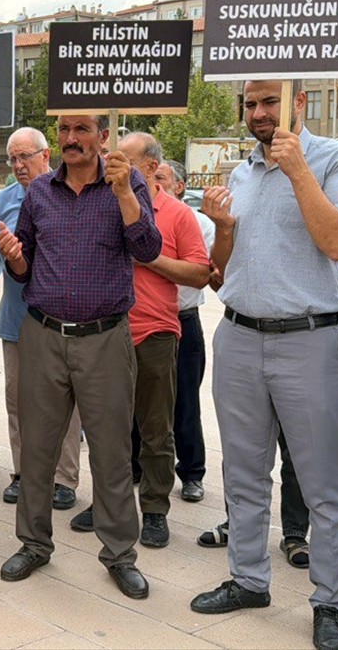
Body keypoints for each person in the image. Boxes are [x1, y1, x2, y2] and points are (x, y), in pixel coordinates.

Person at [190, 79, 338, 650]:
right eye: (251, 104)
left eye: (271, 101)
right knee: (243, 473)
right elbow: (220, 272)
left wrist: (297, 171)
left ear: (299, 103)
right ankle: (248, 579)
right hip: (238, 335)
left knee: (323, 484)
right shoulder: (241, 172)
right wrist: (223, 230)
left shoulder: (336, 160)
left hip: (308, 341)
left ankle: (331, 601)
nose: (260, 113)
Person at [0, 114, 161, 600]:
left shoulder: (126, 182)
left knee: (111, 451)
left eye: (82, 130)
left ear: (102, 137)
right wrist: (13, 255)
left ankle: (120, 554)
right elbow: (24, 268)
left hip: (104, 337)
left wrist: (125, 194)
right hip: (42, 333)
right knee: (37, 448)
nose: (71, 139)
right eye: (65, 130)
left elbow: (148, 247)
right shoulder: (39, 191)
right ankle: (34, 543)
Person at [117, 133, 209, 549]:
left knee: (156, 429)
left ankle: (154, 509)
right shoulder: (107, 205)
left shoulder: (177, 214)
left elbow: (199, 274)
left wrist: (150, 256)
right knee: (109, 429)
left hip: (154, 332)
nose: (115, 167)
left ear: (152, 168)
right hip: (105, 331)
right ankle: (110, 503)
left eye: (126, 160)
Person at [0, 127, 81, 511]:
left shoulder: (68, 191)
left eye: (24, 157)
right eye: (12, 159)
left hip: (59, 319)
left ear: (46, 156)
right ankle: (22, 472)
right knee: (18, 401)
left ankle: (64, 478)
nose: (18, 165)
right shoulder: (4, 200)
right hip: (16, 318)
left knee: (63, 403)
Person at [158, 159, 214, 503]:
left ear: (180, 186)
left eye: (161, 177)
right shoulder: (138, 215)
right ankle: (137, 466)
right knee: (139, 402)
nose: (155, 183)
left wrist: (153, 261)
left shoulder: (200, 223)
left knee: (185, 403)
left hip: (183, 320)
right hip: (144, 320)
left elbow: (199, 272)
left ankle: (192, 472)